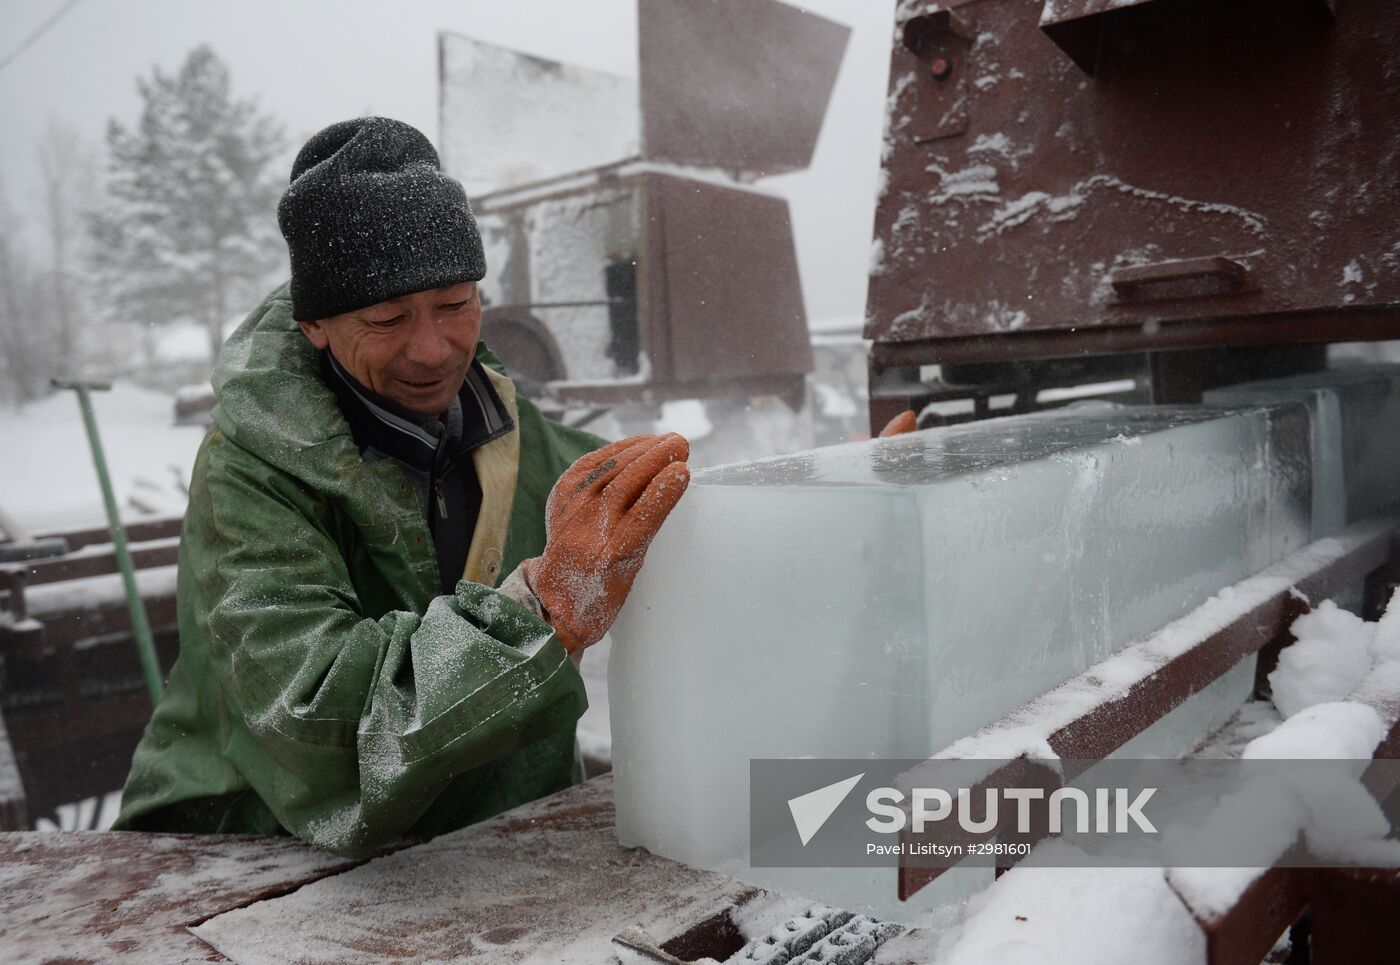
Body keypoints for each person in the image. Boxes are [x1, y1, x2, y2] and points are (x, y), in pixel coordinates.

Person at [113, 117, 690, 857]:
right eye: (387, 318)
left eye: (455, 303)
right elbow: (322, 724)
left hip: (477, 850)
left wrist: (783, 495)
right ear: (315, 325)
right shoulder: (249, 473)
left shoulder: (514, 435)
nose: (433, 348)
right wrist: (542, 612)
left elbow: (660, 516)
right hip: (248, 859)